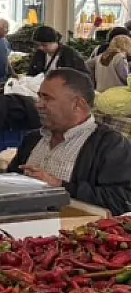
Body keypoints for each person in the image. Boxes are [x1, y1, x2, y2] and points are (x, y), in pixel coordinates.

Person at [10, 67, 131, 212]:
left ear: (77, 105)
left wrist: (59, 186)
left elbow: (123, 200)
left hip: (75, 226)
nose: (38, 104)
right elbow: (10, 180)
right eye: (39, 97)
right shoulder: (32, 139)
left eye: (47, 98)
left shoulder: (110, 145)